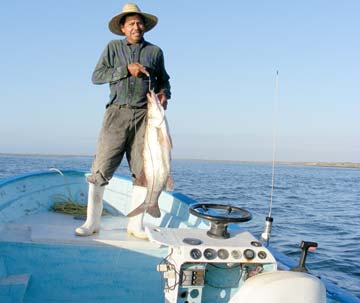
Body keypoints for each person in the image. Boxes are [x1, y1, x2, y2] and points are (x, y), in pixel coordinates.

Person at [75, 3, 171, 239]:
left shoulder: (155, 52)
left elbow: (165, 81)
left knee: (143, 170)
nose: (136, 27)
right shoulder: (112, 48)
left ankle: (135, 225)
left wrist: (164, 94)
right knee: (101, 167)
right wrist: (126, 70)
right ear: (122, 27)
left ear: (144, 26)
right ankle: (92, 223)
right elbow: (96, 76)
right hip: (116, 114)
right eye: (131, 24)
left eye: (139, 23)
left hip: (145, 117)